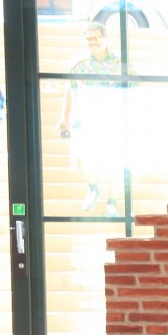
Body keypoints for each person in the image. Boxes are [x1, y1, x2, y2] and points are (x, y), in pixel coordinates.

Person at [56, 21, 129, 214]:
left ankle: (112, 202)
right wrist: (65, 117)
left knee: (114, 164)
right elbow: (70, 91)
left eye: (96, 38)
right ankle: (93, 188)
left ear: (105, 38)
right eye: (88, 38)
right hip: (85, 120)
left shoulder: (120, 63)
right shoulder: (79, 65)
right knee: (81, 158)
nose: (92, 42)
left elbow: (134, 90)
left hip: (112, 121)